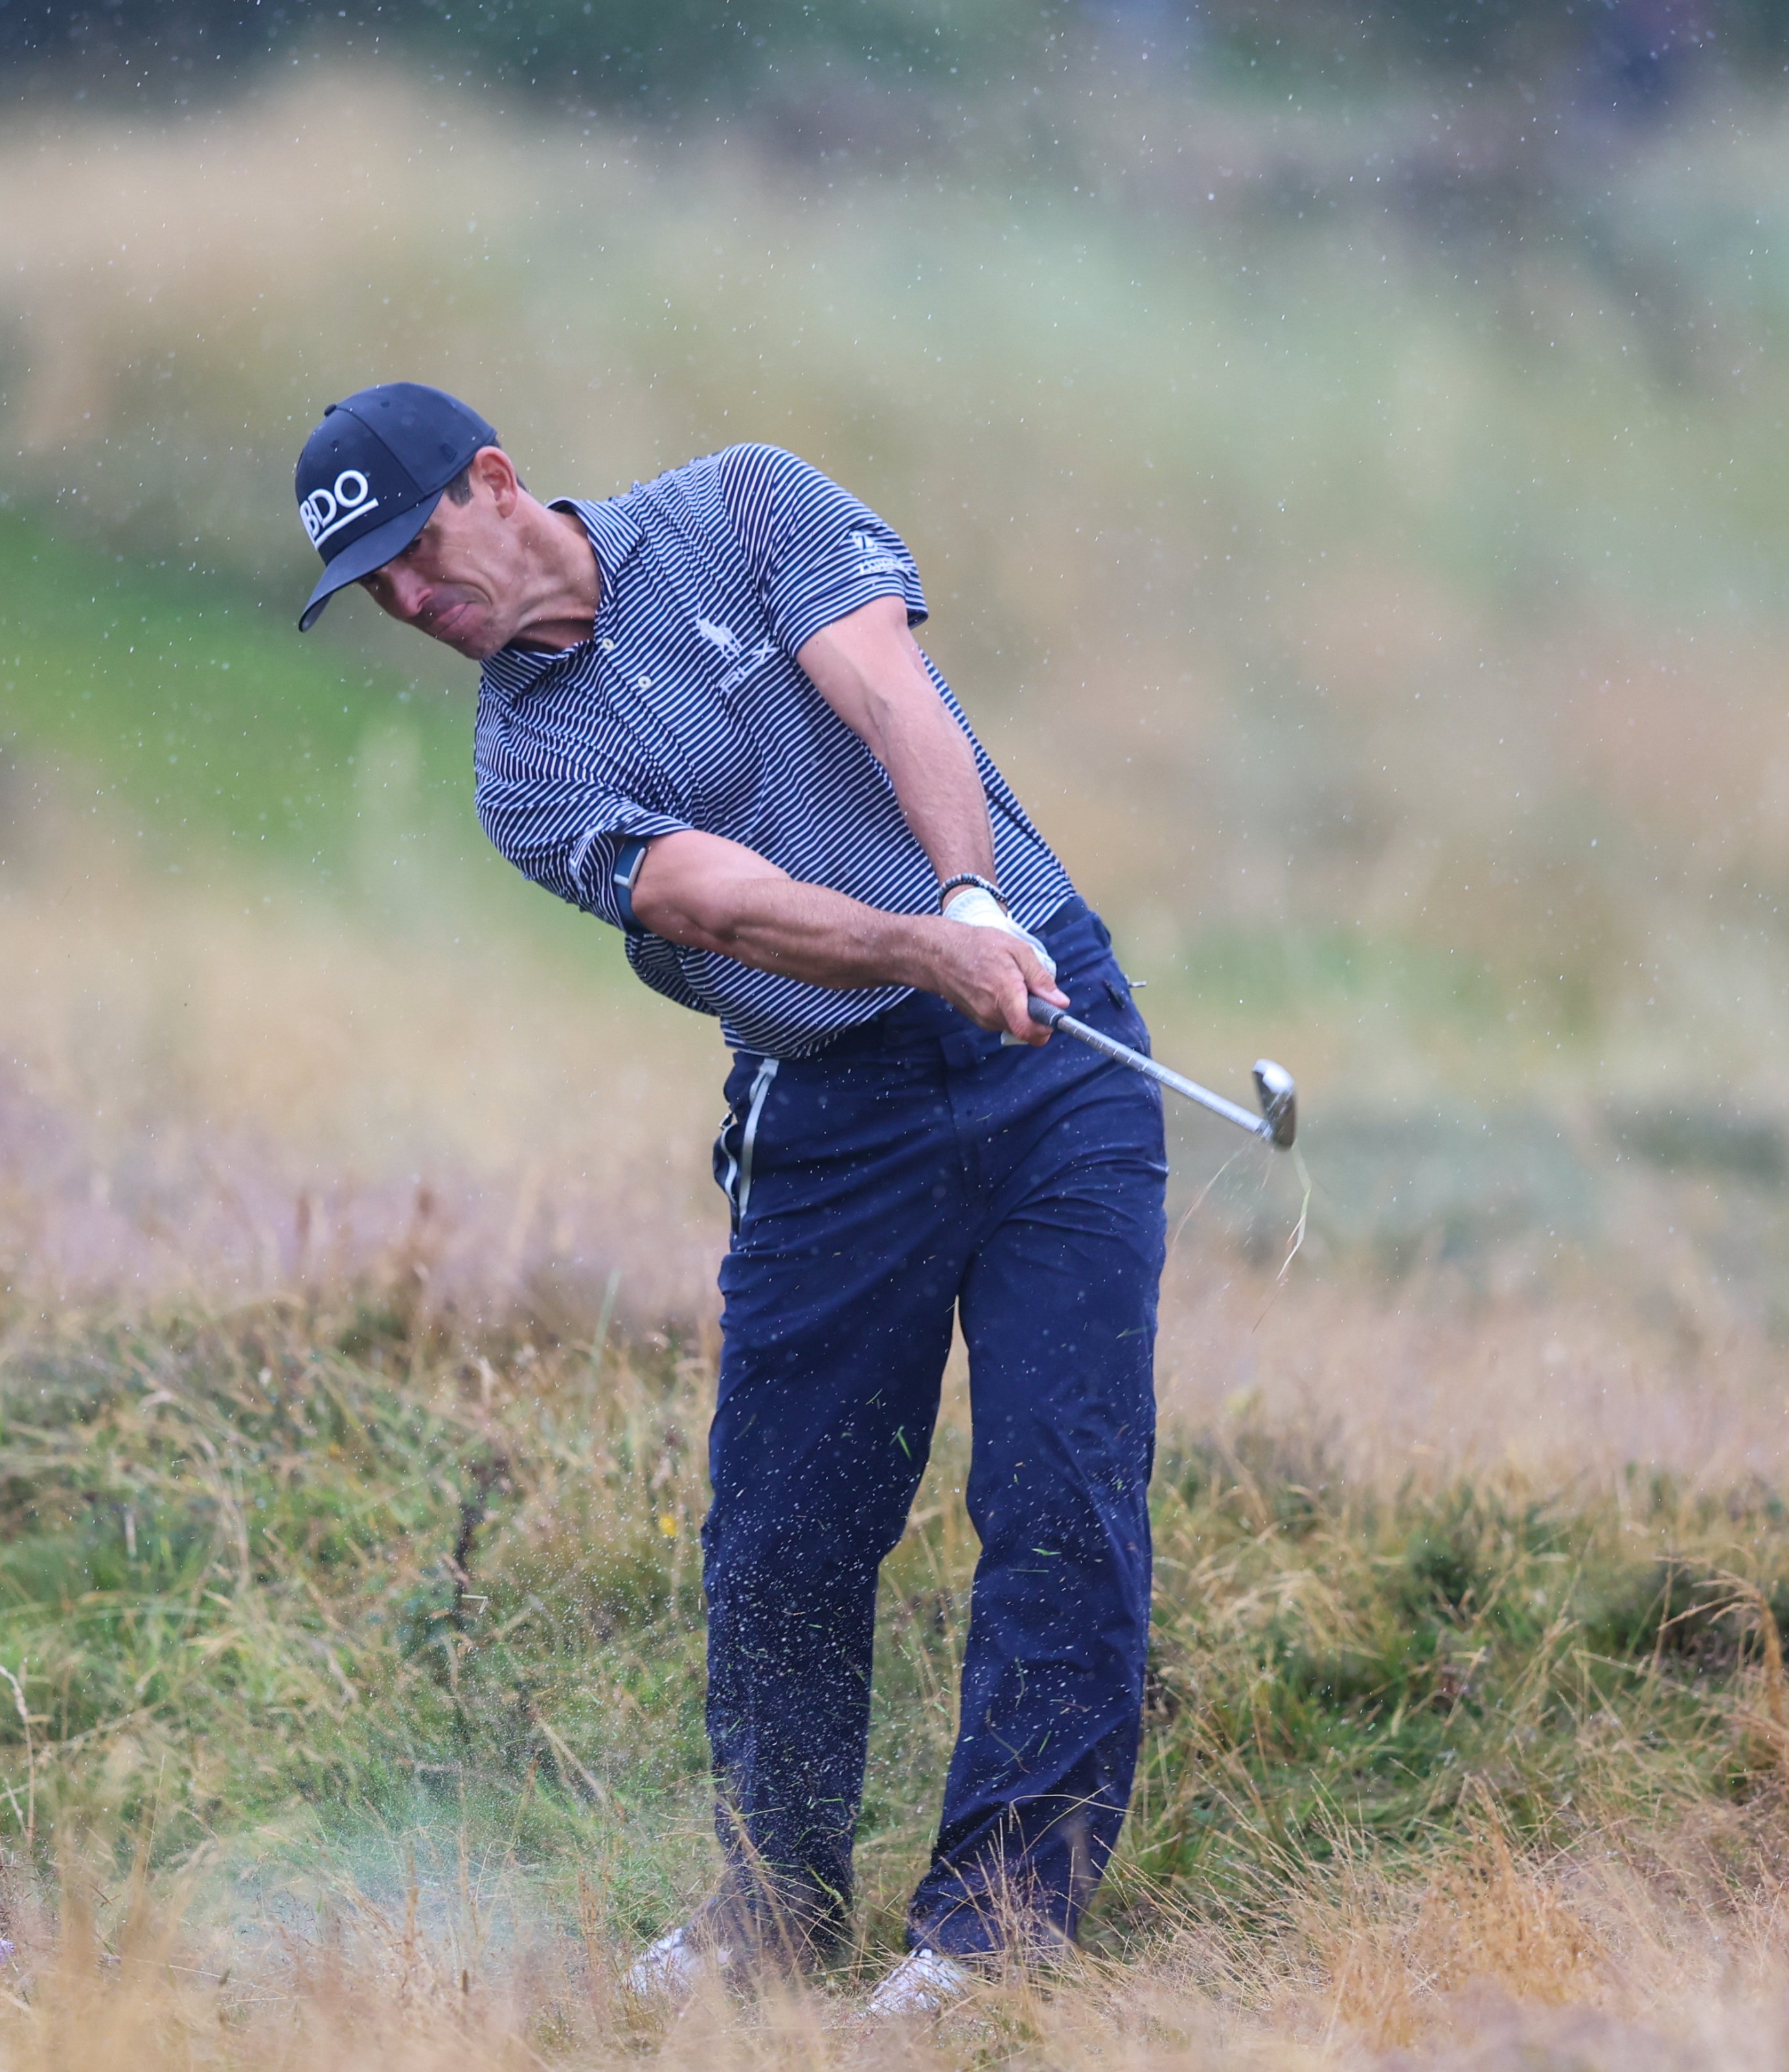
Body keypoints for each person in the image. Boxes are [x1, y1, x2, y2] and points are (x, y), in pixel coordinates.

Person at [291, 383, 1168, 2016]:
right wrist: (921, 944)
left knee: (1062, 1489)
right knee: (786, 1527)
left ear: (495, 481)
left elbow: (890, 697)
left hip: (1056, 1042)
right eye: (378, 594)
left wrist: (971, 900)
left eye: (413, 554)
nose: (412, 606)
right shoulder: (524, 767)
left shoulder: (742, 504)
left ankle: (993, 1935)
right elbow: (727, 904)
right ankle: (770, 1913)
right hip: (831, 1107)